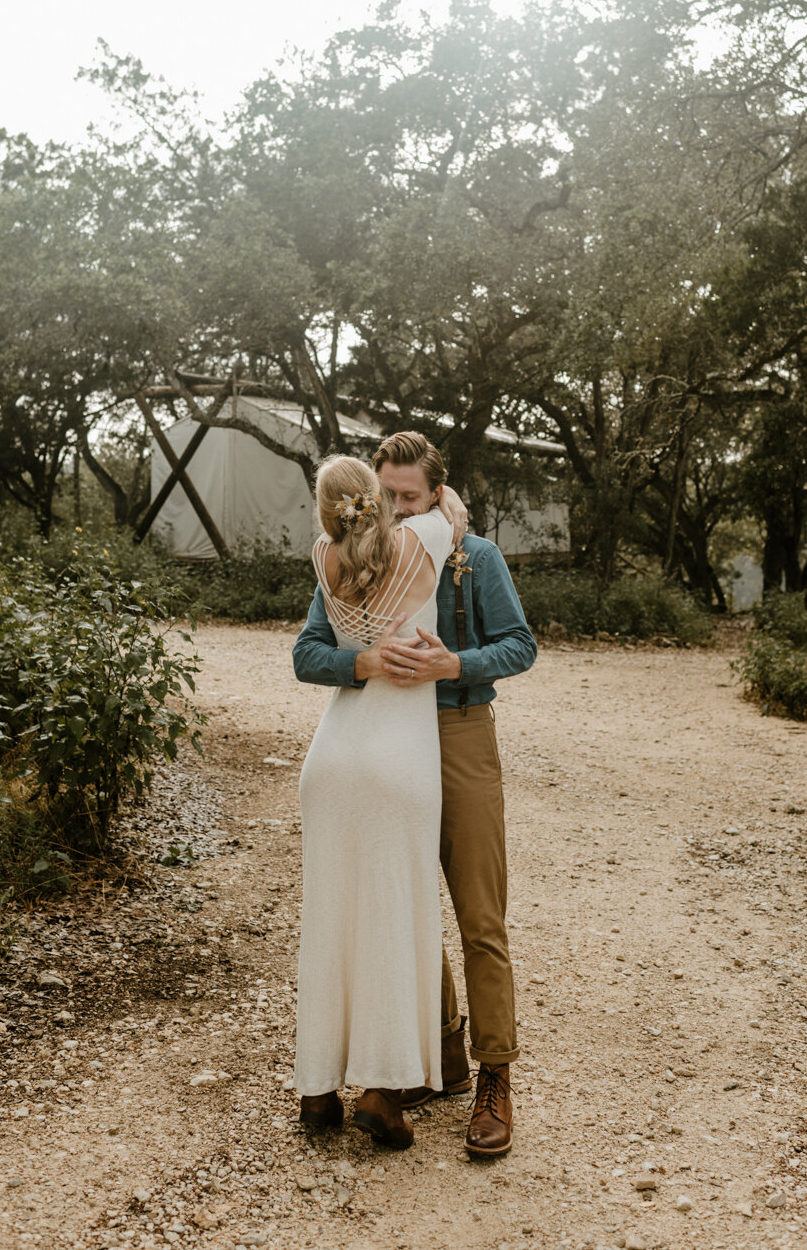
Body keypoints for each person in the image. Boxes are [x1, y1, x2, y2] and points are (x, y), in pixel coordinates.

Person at [294, 431, 536, 1157]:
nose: (395, 508)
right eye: (386, 494)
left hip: (455, 733)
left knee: (477, 916)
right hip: (381, 739)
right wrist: (361, 662)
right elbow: (308, 650)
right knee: (397, 907)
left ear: (437, 493)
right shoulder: (362, 554)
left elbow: (519, 644)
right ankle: (439, 1056)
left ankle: (495, 1078)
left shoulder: (471, 554)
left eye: (409, 496)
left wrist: (453, 663)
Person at [294, 453, 455, 1150]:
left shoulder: (323, 554)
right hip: (399, 759)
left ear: (325, 509)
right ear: (379, 500)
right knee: (394, 920)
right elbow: (451, 506)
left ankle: (317, 1094)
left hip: (330, 759)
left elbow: (311, 648)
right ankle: (383, 1092)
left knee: (331, 919)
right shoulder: (425, 539)